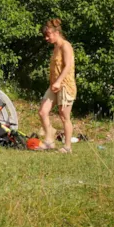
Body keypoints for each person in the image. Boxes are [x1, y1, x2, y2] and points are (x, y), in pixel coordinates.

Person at [36, 18, 76, 153]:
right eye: (45, 36)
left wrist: (59, 81)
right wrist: (55, 82)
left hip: (65, 85)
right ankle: (49, 140)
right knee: (42, 111)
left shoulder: (66, 45)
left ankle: (67, 147)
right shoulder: (55, 47)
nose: (46, 38)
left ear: (56, 32)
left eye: (48, 35)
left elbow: (68, 65)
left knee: (64, 117)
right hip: (54, 85)